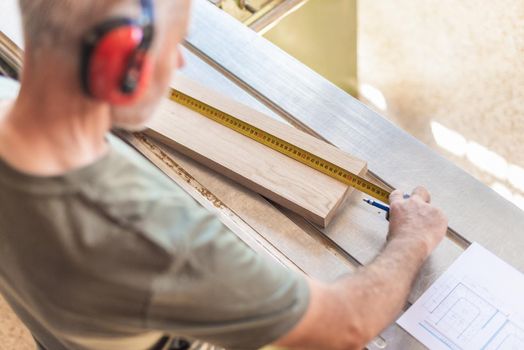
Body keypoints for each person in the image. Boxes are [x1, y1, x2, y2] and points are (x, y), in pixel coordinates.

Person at [0, 0, 448, 349]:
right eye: (173, 45)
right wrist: (411, 239)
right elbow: (346, 323)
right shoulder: (156, 237)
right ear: (123, 66)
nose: (179, 65)